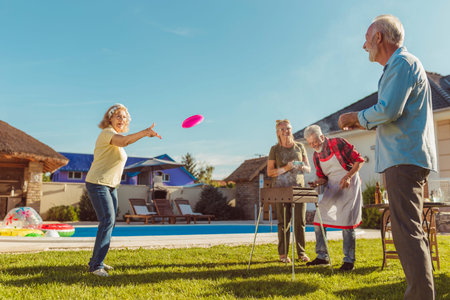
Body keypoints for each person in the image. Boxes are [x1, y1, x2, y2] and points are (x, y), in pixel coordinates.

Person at [338, 15, 437, 299]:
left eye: (367, 38)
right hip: (404, 159)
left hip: (404, 160)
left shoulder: (402, 64)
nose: (364, 45)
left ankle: (420, 295)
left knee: (407, 232)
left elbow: (388, 110)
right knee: (408, 231)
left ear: (379, 37)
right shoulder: (399, 66)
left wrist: (355, 117)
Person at [85, 103, 161, 277]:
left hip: (110, 185)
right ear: (110, 118)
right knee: (107, 220)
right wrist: (145, 132)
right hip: (98, 183)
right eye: (118, 116)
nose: (121, 119)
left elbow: (124, 141)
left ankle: (97, 261)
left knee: (110, 222)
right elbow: (125, 141)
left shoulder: (116, 137)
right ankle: (96, 266)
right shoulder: (107, 134)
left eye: (124, 117)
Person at [304, 125, 364, 271]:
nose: (314, 146)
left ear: (322, 137)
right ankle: (322, 257)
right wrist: (317, 182)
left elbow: (359, 160)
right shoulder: (316, 155)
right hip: (332, 187)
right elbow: (323, 177)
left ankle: (349, 261)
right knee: (319, 220)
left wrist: (348, 176)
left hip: (349, 184)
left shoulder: (338, 143)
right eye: (311, 144)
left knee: (347, 222)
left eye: (316, 142)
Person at [267, 119, 311, 263]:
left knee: (300, 222)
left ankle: (301, 253)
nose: (286, 131)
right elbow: (270, 172)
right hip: (281, 189)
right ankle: (283, 255)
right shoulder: (275, 149)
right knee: (284, 222)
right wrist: (286, 168)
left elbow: (308, 168)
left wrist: (301, 167)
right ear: (277, 133)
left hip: (299, 188)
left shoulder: (300, 146)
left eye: (288, 128)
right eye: (283, 129)